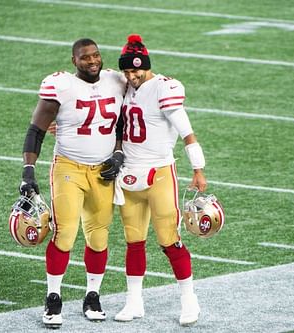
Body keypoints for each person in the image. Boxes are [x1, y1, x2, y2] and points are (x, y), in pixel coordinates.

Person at [19, 38, 126, 328]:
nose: (92, 61)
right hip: (69, 167)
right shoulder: (61, 85)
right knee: (65, 233)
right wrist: (28, 170)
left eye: (95, 56)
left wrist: (118, 153)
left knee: (99, 236)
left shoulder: (117, 81)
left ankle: (93, 295)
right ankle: (53, 297)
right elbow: (36, 130)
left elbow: (124, 121)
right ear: (73, 61)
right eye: (84, 58)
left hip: (103, 169)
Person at [112, 34, 206, 326]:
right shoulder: (124, 88)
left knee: (169, 239)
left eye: (136, 70)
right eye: (127, 71)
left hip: (159, 173)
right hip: (128, 174)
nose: (132, 75)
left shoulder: (164, 88)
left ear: (147, 66)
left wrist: (198, 168)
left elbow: (186, 131)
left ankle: (189, 299)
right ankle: (134, 302)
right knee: (133, 241)